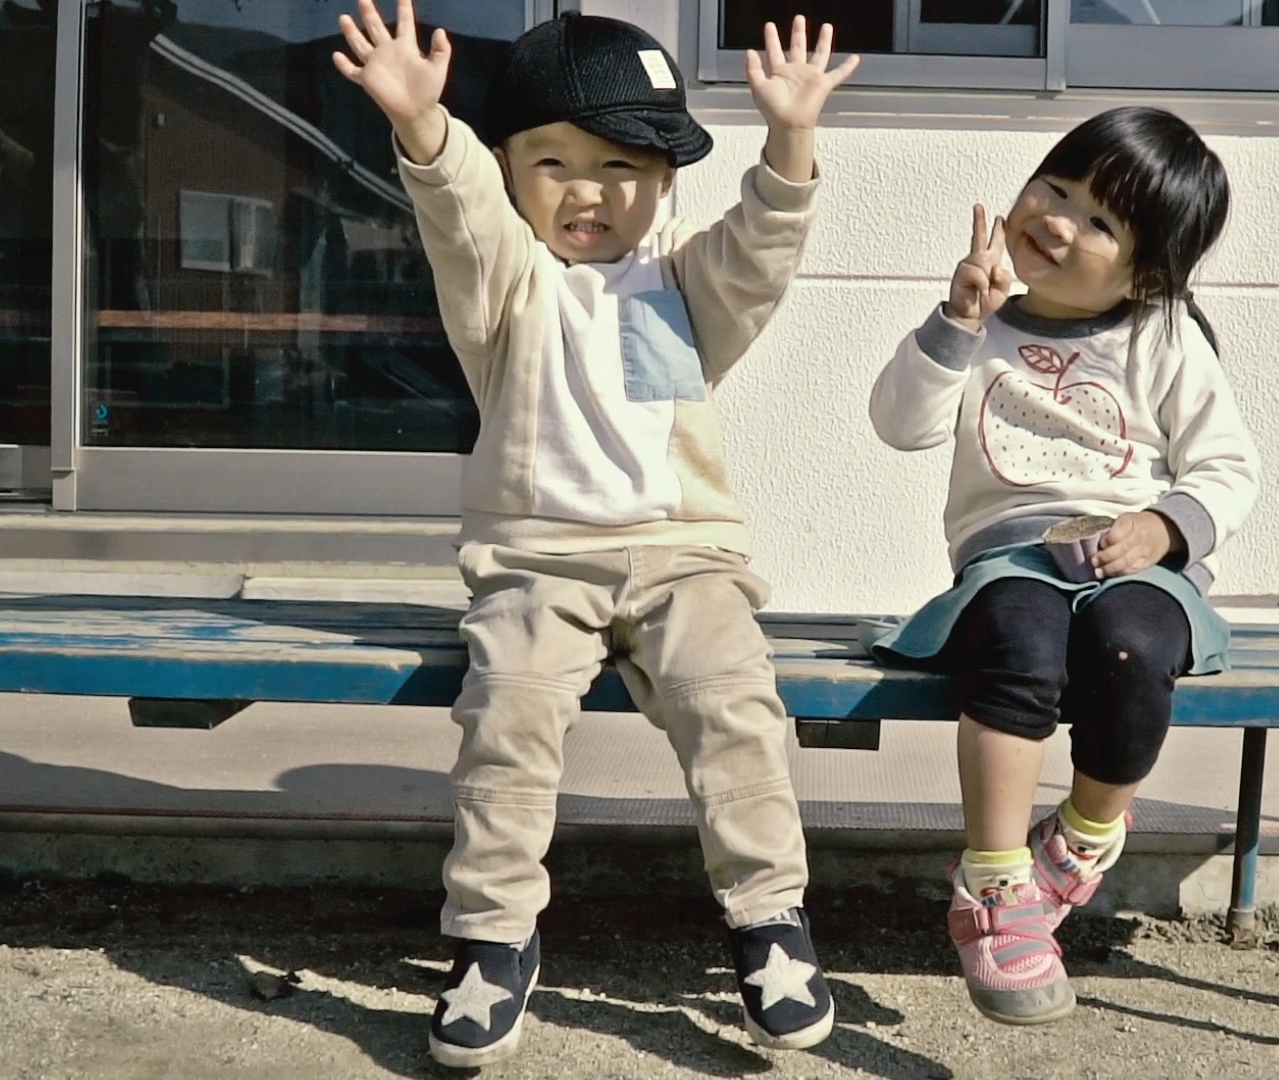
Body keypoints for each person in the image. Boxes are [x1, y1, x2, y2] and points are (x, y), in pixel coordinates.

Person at [331, 1, 858, 1065]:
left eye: (621, 166)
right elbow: (461, 213)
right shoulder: (507, 285)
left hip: (686, 560)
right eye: (554, 163)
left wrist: (792, 140)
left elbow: (761, 250)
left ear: (663, 181)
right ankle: (493, 936)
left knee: (732, 705)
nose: (589, 190)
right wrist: (424, 126)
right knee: (509, 714)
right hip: (538, 565)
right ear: (511, 171)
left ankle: (769, 921)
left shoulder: (685, 287)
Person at [867, 106, 1260, 1025]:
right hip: (1010, 556)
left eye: (1099, 221)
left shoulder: (1163, 335)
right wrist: (957, 322)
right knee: (1018, 636)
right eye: (1055, 187)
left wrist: (1163, 528)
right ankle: (996, 879)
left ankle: (1081, 838)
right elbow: (900, 425)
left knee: (1134, 646)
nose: (1058, 220)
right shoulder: (980, 324)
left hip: (1137, 563)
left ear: (1148, 272)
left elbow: (1228, 467)